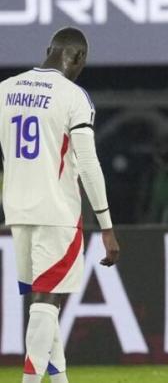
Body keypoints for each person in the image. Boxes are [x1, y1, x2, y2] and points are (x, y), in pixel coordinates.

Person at [0, 27, 119, 383]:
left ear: (48, 49)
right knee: (47, 301)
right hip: (58, 212)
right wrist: (107, 225)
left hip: (18, 211)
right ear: (78, 58)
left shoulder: (5, 90)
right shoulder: (73, 96)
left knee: (43, 301)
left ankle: (61, 379)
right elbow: (88, 162)